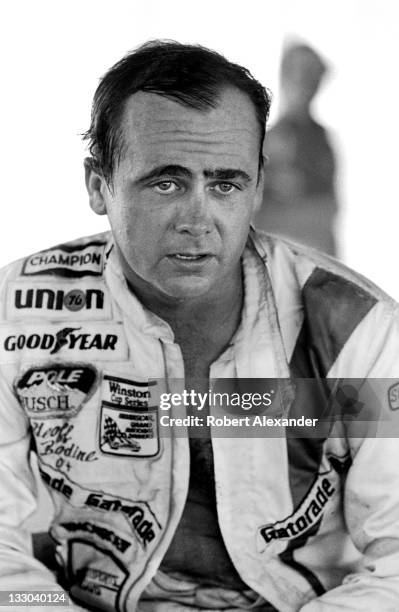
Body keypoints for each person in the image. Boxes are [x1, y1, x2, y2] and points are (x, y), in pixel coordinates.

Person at [0, 40, 399, 612]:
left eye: (225, 184)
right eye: (165, 182)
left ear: (257, 187)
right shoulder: (18, 311)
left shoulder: (360, 330)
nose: (197, 220)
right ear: (97, 184)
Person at [254, 43, 338, 256]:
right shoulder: (266, 137)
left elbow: (330, 206)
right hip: (278, 253)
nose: (304, 86)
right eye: (298, 77)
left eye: (311, 79)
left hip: (316, 252)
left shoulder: (321, 139)